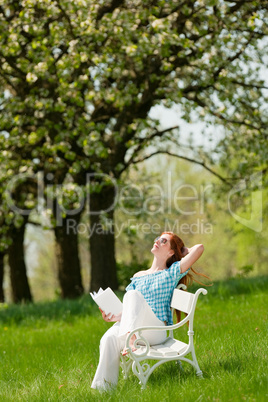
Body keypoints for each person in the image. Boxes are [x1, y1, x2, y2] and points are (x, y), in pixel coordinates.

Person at [91, 231, 206, 391]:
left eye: (164, 241)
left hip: (155, 330)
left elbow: (199, 248)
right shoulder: (138, 276)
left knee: (132, 295)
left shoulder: (171, 272)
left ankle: (129, 339)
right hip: (136, 328)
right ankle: (103, 390)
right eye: (158, 238)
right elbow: (133, 308)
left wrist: (182, 250)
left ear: (171, 252)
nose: (157, 241)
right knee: (108, 338)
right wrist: (116, 317)